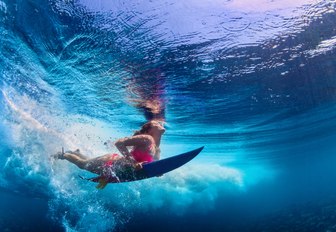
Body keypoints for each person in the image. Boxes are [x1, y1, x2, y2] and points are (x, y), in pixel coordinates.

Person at [52, 120, 165, 189]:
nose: (159, 123)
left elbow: (152, 165)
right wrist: (133, 162)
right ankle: (63, 155)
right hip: (110, 164)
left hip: (117, 169)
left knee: (87, 162)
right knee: (82, 164)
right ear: (149, 130)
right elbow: (119, 143)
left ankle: (77, 153)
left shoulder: (156, 148)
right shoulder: (147, 138)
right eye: (156, 123)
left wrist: (158, 172)